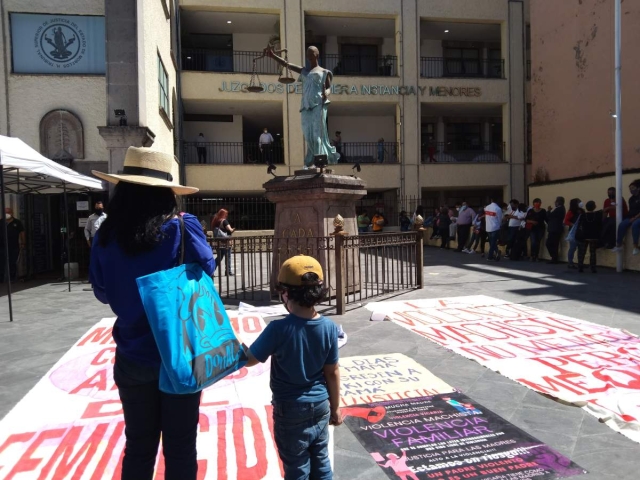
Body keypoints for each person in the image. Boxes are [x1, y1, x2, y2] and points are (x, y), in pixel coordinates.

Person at [89, 146, 214, 480]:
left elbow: (102, 292)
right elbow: (207, 270)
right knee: (181, 447)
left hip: (132, 354)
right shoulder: (182, 226)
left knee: (139, 447)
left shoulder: (105, 235)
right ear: (166, 193)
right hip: (180, 354)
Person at [240, 255, 342, 480]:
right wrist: (335, 407)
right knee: (321, 459)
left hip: (290, 409)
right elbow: (332, 372)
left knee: (297, 466)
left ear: (285, 293)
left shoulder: (278, 329)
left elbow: (251, 359)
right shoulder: (329, 327)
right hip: (321, 404)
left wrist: (237, 349)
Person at [265, 45, 340, 167]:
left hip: (318, 104)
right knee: (308, 135)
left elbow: (329, 88)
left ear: (317, 54)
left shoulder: (324, 72)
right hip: (305, 106)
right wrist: (273, 56)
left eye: (311, 52)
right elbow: (286, 64)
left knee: (317, 136)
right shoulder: (304, 71)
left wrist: (326, 93)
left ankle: (319, 162)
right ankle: (312, 161)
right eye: (307, 53)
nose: (309, 55)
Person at [611, 179, 640, 255]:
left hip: (638, 217)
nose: (631, 190)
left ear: (638, 188)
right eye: (630, 188)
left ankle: (635, 246)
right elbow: (631, 210)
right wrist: (629, 218)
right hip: (632, 216)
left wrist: (635, 218)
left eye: (633, 188)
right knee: (622, 224)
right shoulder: (631, 199)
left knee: (635, 225)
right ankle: (619, 245)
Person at [576, 201, 603, 273]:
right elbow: (600, 225)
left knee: (582, 252)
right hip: (594, 236)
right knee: (593, 252)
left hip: (584, 236)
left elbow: (579, 225)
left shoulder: (583, 215)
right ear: (594, 207)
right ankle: (593, 267)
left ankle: (580, 266)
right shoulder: (597, 215)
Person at [0, 207, 26, 282]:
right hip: (1, 246)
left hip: (13, 246)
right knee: (1, 263)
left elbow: (22, 232)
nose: (6, 214)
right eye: (5, 213)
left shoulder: (17, 222)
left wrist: (23, 242)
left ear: (12, 213)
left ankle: (12, 278)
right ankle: (1, 279)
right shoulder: (1, 222)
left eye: (8, 212)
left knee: (12, 263)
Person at [211, 208, 235, 276]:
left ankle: (211, 270)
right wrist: (233, 229)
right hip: (225, 242)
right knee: (228, 257)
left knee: (219, 257)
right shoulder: (224, 221)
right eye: (226, 214)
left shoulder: (215, 221)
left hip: (218, 242)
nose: (226, 215)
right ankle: (228, 271)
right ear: (223, 214)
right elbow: (230, 230)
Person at [564, 198, 584, 268]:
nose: (580, 203)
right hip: (573, 232)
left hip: (581, 232)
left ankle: (580, 262)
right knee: (572, 248)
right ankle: (570, 262)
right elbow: (566, 221)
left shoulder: (582, 211)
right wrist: (573, 225)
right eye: (579, 202)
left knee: (581, 248)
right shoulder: (571, 212)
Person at [546, 197, 566, 264]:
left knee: (550, 243)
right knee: (554, 244)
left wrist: (548, 210)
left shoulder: (559, 209)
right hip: (556, 229)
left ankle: (554, 257)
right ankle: (554, 257)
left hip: (554, 229)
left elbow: (549, 216)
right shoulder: (562, 209)